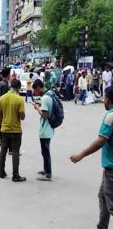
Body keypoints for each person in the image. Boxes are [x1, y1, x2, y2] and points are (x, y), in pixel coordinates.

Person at [70, 86, 113, 229]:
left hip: (111, 170)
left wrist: (81, 155)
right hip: (108, 170)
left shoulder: (110, 116)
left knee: (111, 204)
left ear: (109, 99)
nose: (103, 101)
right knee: (102, 197)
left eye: (104, 98)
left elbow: (101, 140)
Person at [0, 79, 26, 182]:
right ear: (18, 87)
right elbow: (22, 117)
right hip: (16, 130)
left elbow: (0, 116)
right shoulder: (19, 99)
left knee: (3, 151)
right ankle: (15, 175)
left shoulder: (2, 98)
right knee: (15, 152)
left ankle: (1, 172)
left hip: (4, 129)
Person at [32, 79, 54, 181]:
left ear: (38, 87)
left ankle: (48, 174)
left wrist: (37, 108)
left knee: (45, 152)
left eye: (35, 90)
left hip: (46, 129)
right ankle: (46, 170)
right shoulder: (50, 93)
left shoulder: (45, 98)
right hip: (49, 128)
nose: (35, 93)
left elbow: (45, 115)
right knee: (44, 151)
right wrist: (40, 103)